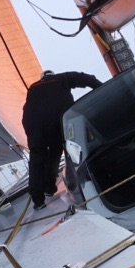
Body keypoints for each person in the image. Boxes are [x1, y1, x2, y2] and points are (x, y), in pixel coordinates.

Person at [22, 69, 102, 208]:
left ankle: (39, 199)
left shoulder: (33, 88)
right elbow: (85, 78)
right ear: (52, 75)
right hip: (59, 119)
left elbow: (28, 109)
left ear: (42, 78)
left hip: (34, 125)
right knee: (68, 149)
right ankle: (83, 183)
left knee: (37, 159)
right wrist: (100, 87)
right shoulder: (61, 78)